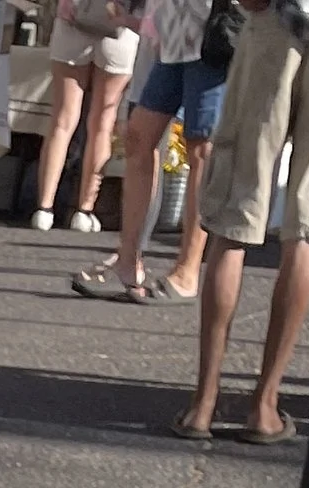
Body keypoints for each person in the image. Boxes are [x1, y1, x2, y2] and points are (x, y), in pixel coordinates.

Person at [177, 0, 309, 440]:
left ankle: (204, 404)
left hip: (275, 22)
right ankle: (264, 404)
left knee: (235, 216)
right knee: (308, 223)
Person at [73, 0, 233, 298]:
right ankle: (127, 261)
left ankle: (188, 271)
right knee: (138, 135)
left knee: (200, 148)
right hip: (173, 32)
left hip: (213, 32)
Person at [31, 0, 146, 231]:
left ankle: (44, 209)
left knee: (62, 121)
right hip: (118, 27)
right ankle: (84, 210)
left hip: (73, 19)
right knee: (103, 123)